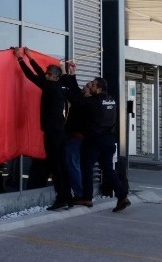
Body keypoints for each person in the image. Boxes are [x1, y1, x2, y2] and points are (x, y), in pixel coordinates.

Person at [14, 48, 72, 210]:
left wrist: (20, 59)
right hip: (59, 132)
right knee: (62, 166)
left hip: (53, 133)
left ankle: (61, 198)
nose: (46, 75)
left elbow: (31, 76)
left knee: (55, 166)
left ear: (55, 77)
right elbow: (40, 73)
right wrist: (30, 57)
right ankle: (68, 197)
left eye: (49, 74)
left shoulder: (51, 88)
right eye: (47, 74)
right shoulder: (58, 86)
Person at [66, 67, 130, 212]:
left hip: (94, 141)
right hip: (109, 140)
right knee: (108, 169)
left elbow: (76, 99)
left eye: (93, 85)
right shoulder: (111, 100)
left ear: (99, 88)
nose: (90, 87)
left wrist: (69, 79)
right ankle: (122, 197)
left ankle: (87, 198)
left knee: (87, 167)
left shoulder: (93, 102)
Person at [63, 79, 92, 201]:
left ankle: (79, 194)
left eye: (87, 86)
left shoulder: (85, 102)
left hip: (76, 138)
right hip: (79, 138)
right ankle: (81, 192)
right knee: (77, 164)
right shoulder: (85, 100)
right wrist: (71, 76)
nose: (83, 87)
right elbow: (75, 90)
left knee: (72, 164)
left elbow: (73, 94)